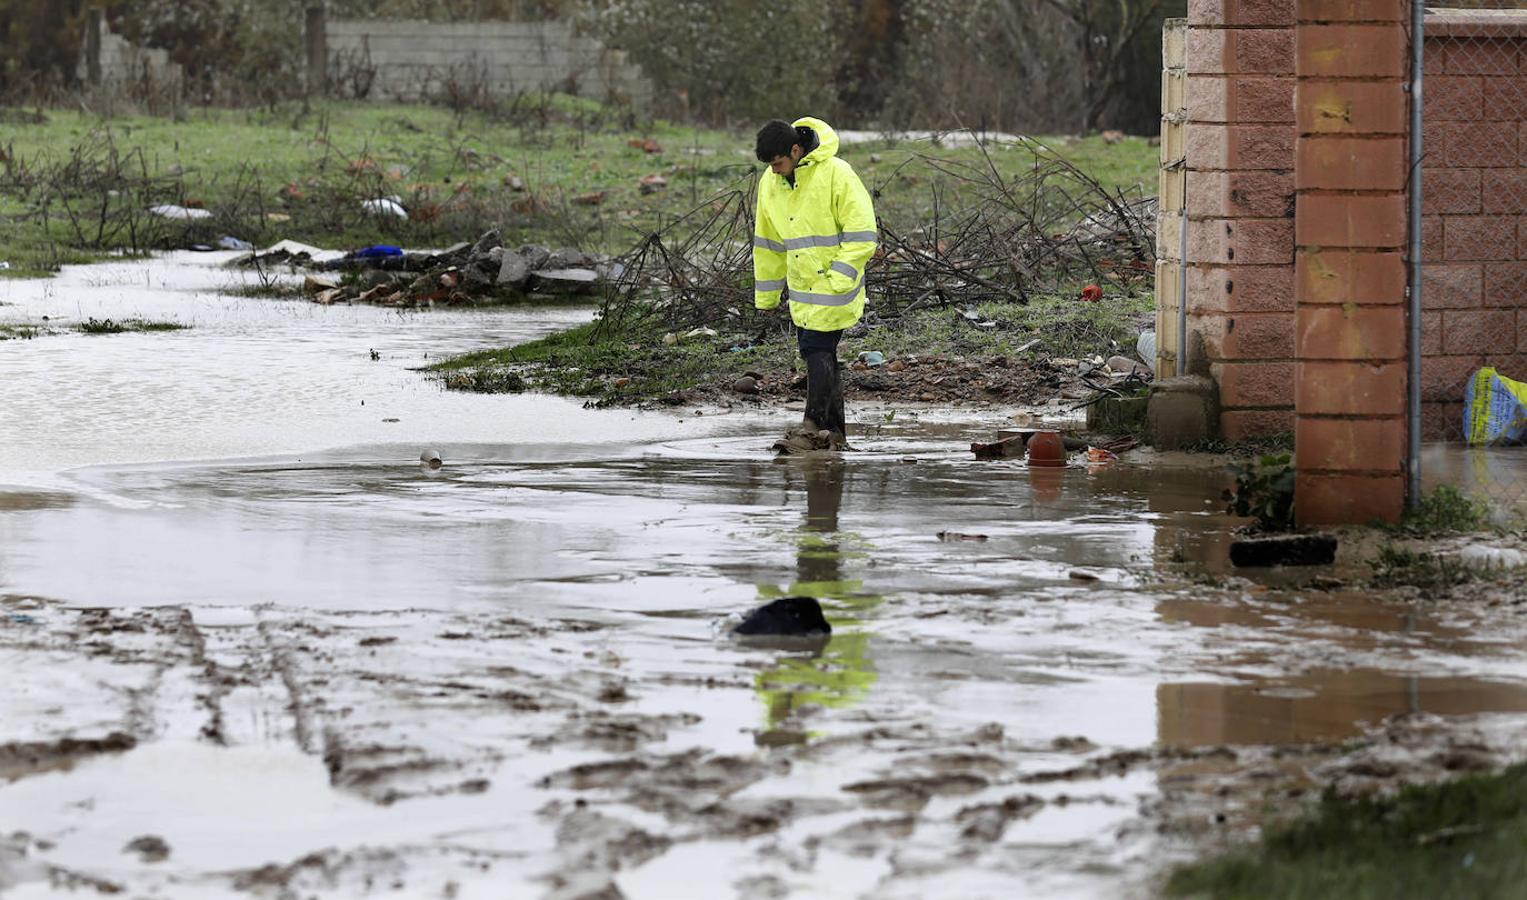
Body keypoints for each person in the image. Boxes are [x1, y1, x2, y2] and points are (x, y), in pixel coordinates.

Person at [752, 117, 877, 453]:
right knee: (824, 355)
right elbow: (768, 242)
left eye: (778, 163)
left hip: (836, 286)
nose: (774, 171)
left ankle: (811, 427)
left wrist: (840, 275)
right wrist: (767, 295)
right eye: (770, 165)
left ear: (795, 150)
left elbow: (863, 233)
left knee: (816, 349)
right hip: (802, 291)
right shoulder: (770, 182)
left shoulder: (837, 173)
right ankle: (834, 436)